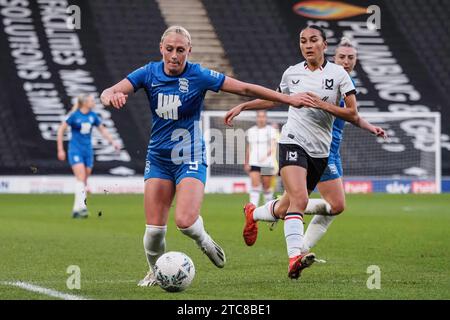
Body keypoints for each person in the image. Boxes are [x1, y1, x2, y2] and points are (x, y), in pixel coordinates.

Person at [100, 25, 314, 286]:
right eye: (169, 49)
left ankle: (203, 240)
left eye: (181, 50)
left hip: (190, 155)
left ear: (189, 50)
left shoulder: (199, 75)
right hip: (158, 158)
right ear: (161, 49)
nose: (175, 55)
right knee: (154, 232)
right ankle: (155, 271)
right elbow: (108, 91)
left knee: (185, 222)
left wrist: (287, 99)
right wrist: (111, 97)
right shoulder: (148, 72)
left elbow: (245, 88)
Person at [225, 25, 378, 279]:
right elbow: (275, 98)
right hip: (292, 142)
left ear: (324, 45)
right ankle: (295, 257)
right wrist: (245, 105)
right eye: (303, 41)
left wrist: (323, 105)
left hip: (321, 151)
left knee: (287, 207)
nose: (307, 45)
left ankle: (254, 212)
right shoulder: (292, 73)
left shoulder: (339, 75)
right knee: (299, 200)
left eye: (313, 40)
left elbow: (352, 114)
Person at [57, 94, 120, 218]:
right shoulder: (74, 115)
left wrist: (113, 142)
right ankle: (83, 208)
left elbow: (102, 129)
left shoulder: (92, 116)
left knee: (83, 180)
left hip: (88, 151)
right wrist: (60, 149)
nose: (94, 102)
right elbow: (61, 130)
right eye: (91, 100)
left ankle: (76, 209)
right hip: (75, 150)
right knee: (81, 178)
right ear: (85, 103)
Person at [245, 111, 278, 206]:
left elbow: (273, 146)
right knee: (255, 186)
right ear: (256, 118)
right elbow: (249, 147)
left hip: (267, 163)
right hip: (254, 162)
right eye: (259, 117)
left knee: (266, 187)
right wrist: (246, 162)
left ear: (266, 118)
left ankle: (269, 209)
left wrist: (265, 156)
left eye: (263, 117)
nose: (261, 119)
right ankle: (252, 210)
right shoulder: (251, 131)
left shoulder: (271, 130)